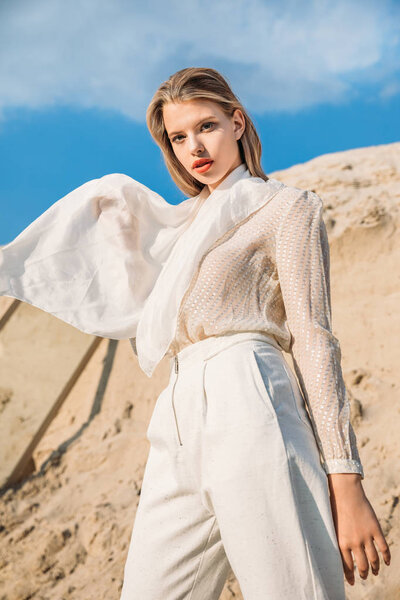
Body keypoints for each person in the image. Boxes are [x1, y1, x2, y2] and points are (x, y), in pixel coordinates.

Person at [0, 67, 391, 599]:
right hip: (177, 418)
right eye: (177, 137)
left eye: (206, 126)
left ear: (237, 121)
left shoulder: (285, 207)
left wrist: (346, 482)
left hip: (252, 397)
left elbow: (314, 337)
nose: (193, 148)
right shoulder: (179, 227)